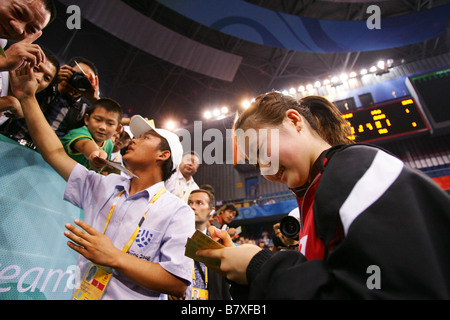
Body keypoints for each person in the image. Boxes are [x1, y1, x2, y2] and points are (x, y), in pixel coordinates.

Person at [197, 91, 450, 299]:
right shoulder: (312, 200)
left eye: (263, 152)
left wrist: (261, 267)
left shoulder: (359, 168)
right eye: (256, 165)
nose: (266, 170)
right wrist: (247, 277)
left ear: (295, 121)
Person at [10, 65, 195, 300]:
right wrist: (27, 98)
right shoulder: (105, 185)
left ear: (163, 155)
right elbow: (54, 152)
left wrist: (113, 257)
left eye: (145, 138)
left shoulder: (178, 212)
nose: (134, 141)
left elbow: (177, 283)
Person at [174, 188, 231, 300]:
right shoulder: (173, 239)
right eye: (190, 202)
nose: (192, 207)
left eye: (199, 203)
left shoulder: (218, 245)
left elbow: (225, 288)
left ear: (211, 211)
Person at [0, 47, 60, 142]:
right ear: (22, 62)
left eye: (47, 78)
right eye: (36, 69)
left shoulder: (19, 102)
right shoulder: (1, 75)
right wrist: (10, 103)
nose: (39, 79)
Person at [37, 56, 101, 139]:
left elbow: (109, 120)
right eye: (76, 75)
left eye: (83, 81)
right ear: (66, 69)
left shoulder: (81, 112)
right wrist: (50, 78)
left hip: (42, 150)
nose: (77, 82)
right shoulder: (43, 87)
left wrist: (94, 99)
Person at [60, 98, 123, 171]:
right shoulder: (78, 133)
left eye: (110, 124)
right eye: (98, 120)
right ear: (87, 119)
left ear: (117, 129)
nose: (102, 127)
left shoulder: (109, 145)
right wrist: (94, 152)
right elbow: (84, 144)